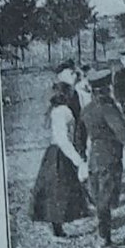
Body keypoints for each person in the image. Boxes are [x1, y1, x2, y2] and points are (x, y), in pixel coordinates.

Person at [80, 69, 125, 248]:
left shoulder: (87, 109)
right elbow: (122, 131)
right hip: (109, 157)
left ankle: (102, 234)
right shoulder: (108, 108)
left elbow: (79, 134)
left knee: (101, 197)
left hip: (94, 156)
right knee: (105, 199)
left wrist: (82, 155)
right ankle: (104, 239)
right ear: (107, 88)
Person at [28, 81, 91, 239]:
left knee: (56, 190)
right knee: (61, 190)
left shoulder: (54, 110)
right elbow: (63, 139)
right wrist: (78, 160)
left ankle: (59, 224)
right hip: (61, 153)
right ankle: (60, 224)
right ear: (65, 95)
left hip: (53, 152)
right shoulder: (63, 111)